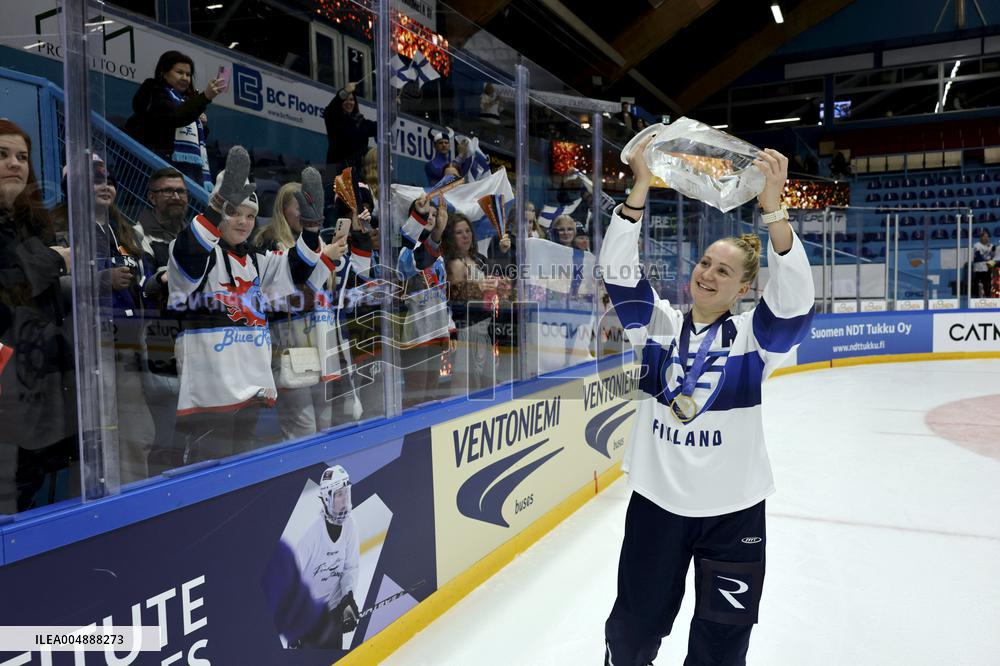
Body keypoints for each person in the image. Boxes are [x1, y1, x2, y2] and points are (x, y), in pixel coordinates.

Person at [601, 137, 814, 665]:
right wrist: (641, 187)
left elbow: (795, 303)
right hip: (657, 505)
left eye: (723, 271)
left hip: (734, 514)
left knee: (721, 646)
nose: (707, 274)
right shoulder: (656, 327)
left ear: (744, 288)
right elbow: (618, 271)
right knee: (632, 633)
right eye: (704, 263)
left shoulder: (754, 340)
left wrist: (774, 209)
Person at [168, 148, 345, 464]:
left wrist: (313, 228)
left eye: (250, 215)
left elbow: (296, 272)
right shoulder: (196, 252)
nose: (243, 222)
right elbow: (188, 258)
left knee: (243, 480)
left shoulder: (255, 260)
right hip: (211, 395)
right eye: (234, 212)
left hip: (251, 390)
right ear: (219, 210)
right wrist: (216, 206)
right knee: (212, 487)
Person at [51, 156, 155, 483]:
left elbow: (140, 283)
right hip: (89, 348)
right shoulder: (58, 229)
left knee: (139, 436)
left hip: (127, 345)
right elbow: (47, 285)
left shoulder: (123, 232)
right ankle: (100, 516)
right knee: (99, 437)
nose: (105, 186)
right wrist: (98, 279)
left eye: (109, 181)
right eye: (95, 181)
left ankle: (137, 508)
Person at [0, 119, 76, 513]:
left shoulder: (34, 222)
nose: (15, 164)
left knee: (29, 490)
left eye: (23, 157)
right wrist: (52, 261)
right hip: (5, 392)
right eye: (3, 154)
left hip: (39, 384)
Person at [136, 168, 190, 474]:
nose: (176, 196)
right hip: (160, 336)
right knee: (164, 429)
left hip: (193, 337)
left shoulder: (192, 235)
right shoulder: (138, 233)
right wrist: (163, 277)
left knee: (189, 428)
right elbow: (144, 287)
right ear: (151, 197)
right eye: (168, 190)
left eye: (180, 191)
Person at [127, 51, 225, 190]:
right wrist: (205, 97)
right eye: (179, 72)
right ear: (164, 73)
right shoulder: (153, 89)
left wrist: (201, 125)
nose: (185, 78)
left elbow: (197, 138)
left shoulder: (187, 100)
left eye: (188, 74)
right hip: (158, 167)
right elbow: (172, 118)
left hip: (189, 173)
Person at [285, 465, 360, 649]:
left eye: (346, 493)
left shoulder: (350, 525)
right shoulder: (310, 534)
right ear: (327, 498)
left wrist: (347, 598)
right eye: (339, 494)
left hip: (333, 617)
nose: (345, 499)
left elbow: (350, 568)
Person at [399, 195, 453, 408]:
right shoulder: (407, 250)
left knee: (431, 395)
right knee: (416, 397)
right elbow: (412, 264)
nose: (432, 217)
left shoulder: (438, 254)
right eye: (426, 214)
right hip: (416, 334)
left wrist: (448, 329)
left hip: (437, 330)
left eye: (433, 213)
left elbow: (443, 294)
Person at [443, 213, 502, 397]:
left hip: (485, 327)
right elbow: (455, 297)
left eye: (468, 231)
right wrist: (479, 288)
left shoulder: (480, 259)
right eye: (459, 232)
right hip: (465, 329)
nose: (465, 236)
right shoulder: (452, 263)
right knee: (463, 385)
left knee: (488, 382)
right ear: (451, 237)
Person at [324, 82, 377, 175]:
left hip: (357, 173)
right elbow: (331, 109)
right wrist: (345, 91)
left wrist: (393, 107)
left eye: (352, 100)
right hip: (336, 171)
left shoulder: (361, 122)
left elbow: (381, 126)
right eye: (345, 100)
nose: (349, 103)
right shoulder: (333, 118)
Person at [972, 229, 996, 298]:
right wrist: (987, 259)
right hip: (978, 268)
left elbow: (993, 256)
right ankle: (976, 296)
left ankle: (988, 296)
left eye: (987, 237)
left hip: (987, 267)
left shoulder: (990, 245)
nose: (986, 238)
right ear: (981, 238)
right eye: (985, 237)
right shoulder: (977, 245)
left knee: (987, 283)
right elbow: (978, 256)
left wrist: (993, 251)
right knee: (976, 283)